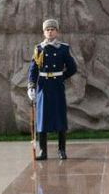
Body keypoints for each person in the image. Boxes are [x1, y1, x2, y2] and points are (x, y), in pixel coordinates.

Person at [27, 19, 77, 160]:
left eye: (52, 29)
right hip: (43, 86)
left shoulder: (63, 48)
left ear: (57, 31)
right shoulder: (39, 49)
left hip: (57, 87)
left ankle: (62, 150)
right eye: (47, 29)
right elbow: (33, 69)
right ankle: (43, 152)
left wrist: (61, 76)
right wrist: (31, 86)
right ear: (44, 32)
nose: (50, 32)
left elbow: (73, 68)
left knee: (60, 117)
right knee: (42, 119)